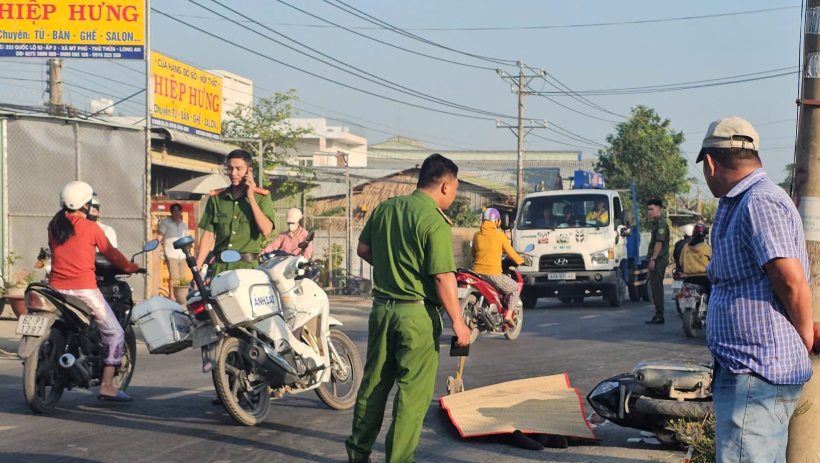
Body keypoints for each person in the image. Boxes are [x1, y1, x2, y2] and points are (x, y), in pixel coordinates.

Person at [698, 116, 813, 463]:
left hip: (756, 371)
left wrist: (804, 336)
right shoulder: (740, 202)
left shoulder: (758, 202)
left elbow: (790, 280)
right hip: (747, 369)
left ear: (711, 162)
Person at [345, 153, 472, 463]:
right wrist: (458, 322)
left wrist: (391, 268)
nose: (453, 196)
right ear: (445, 186)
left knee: (373, 387)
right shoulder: (434, 221)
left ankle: (358, 454)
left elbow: (363, 249)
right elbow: (442, 277)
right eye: (454, 189)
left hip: (381, 310)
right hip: (416, 315)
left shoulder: (385, 209)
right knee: (411, 396)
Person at [48, 181, 142, 402]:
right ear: (85, 204)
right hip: (84, 289)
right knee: (115, 332)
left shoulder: (54, 225)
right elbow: (112, 254)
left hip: (55, 289)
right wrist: (131, 267)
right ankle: (107, 385)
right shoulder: (91, 227)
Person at [196, 149, 276, 275]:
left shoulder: (262, 197)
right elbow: (208, 235)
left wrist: (251, 197)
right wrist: (197, 268)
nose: (233, 173)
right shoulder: (217, 198)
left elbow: (266, 230)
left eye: (239, 169)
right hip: (221, 268)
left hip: (247, 269)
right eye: (230, 168)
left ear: (249, 171)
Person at [471, 208, 524, 325]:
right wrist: (521, 261)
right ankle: (509, 315)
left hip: (476, 273)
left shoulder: (476, 235)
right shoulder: (500, 236)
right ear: (497, 222)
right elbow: (511, 253)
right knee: (515, 288)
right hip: (493, 274)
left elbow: (473, 254)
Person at [158, 203, 191, 302]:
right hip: (171, 253)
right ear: (171, 212)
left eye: (178, 210)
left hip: (182, 254)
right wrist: (156, 245)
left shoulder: (183, 224)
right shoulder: (166, 222)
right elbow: (160, 235)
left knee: (182, 278)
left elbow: (187, 236)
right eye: (175, 210)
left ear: (181, 212)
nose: (177, 213)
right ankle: (172, 297)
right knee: (174, 277)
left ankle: (181, 297)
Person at [645, 199, 670, 325]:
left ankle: (660, 315)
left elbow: (659, 243)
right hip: (658, 259)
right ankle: (658, 313)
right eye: (648, 209)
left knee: (657, 288)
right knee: (655, 288)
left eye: (652, 209)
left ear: (659, 209)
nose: (650, 212)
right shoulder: (657, 223)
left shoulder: (661, 224)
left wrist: (653, 259)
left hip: (659, 260)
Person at [680, 223, 711, 295]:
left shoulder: (686, 247)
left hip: (688, 278)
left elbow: (681, 262)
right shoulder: (707, 247)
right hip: (703, 278)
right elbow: (713, 263)